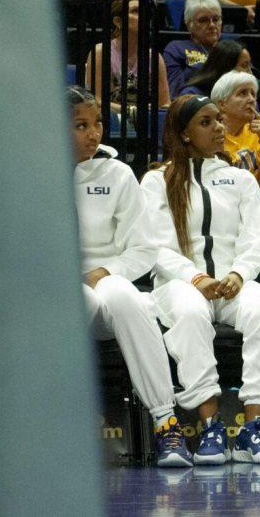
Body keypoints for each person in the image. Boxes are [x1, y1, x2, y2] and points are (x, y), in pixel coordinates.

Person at [142, 95, 260, 465]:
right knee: (191, 314)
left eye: (219, 121)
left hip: (233, 281)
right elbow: (152, 246)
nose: (220, 129)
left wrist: (239, 274)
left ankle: (253, 428)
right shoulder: (156, 180)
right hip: (179, 283)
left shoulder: (241, 178)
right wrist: (195, 277)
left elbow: (257, 238)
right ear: (185, 134)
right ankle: (211, 425)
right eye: (206, 122)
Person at [70, 87, 192, 468]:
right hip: (53, 291)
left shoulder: (118, 173)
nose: (94, 133)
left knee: (128, 297)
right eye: (80, 125)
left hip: (106, 280)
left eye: (98, 123)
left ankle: (166, 424)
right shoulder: (29, 178)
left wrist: (103, 272)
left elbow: (143, 250)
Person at [85, 0, 171, 115]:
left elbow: (165, 103)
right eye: (135, 11)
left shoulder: (154, 57)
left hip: (146, 122)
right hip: (112, 121)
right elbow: (96, 101)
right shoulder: (101, 52)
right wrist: (132, 112)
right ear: (118, 21)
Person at [213, 70, 260, 198]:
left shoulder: (257, 134)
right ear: (222, 104)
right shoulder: (211, 134)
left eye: (253, 94)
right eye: (242, 93)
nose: (251, 99)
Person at [163, 0, 221, 95]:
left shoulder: (231, 48)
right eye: (203, 20)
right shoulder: (176, 48)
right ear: (189, 25)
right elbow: (176, 91)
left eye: (216, 19)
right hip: (194, 103)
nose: (212, 25)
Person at [180, 38, 251, 97]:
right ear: (225, 67)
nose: (250, 73)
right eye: (244, 66)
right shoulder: (192, 95)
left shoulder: (248, 96)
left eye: (249, 66)